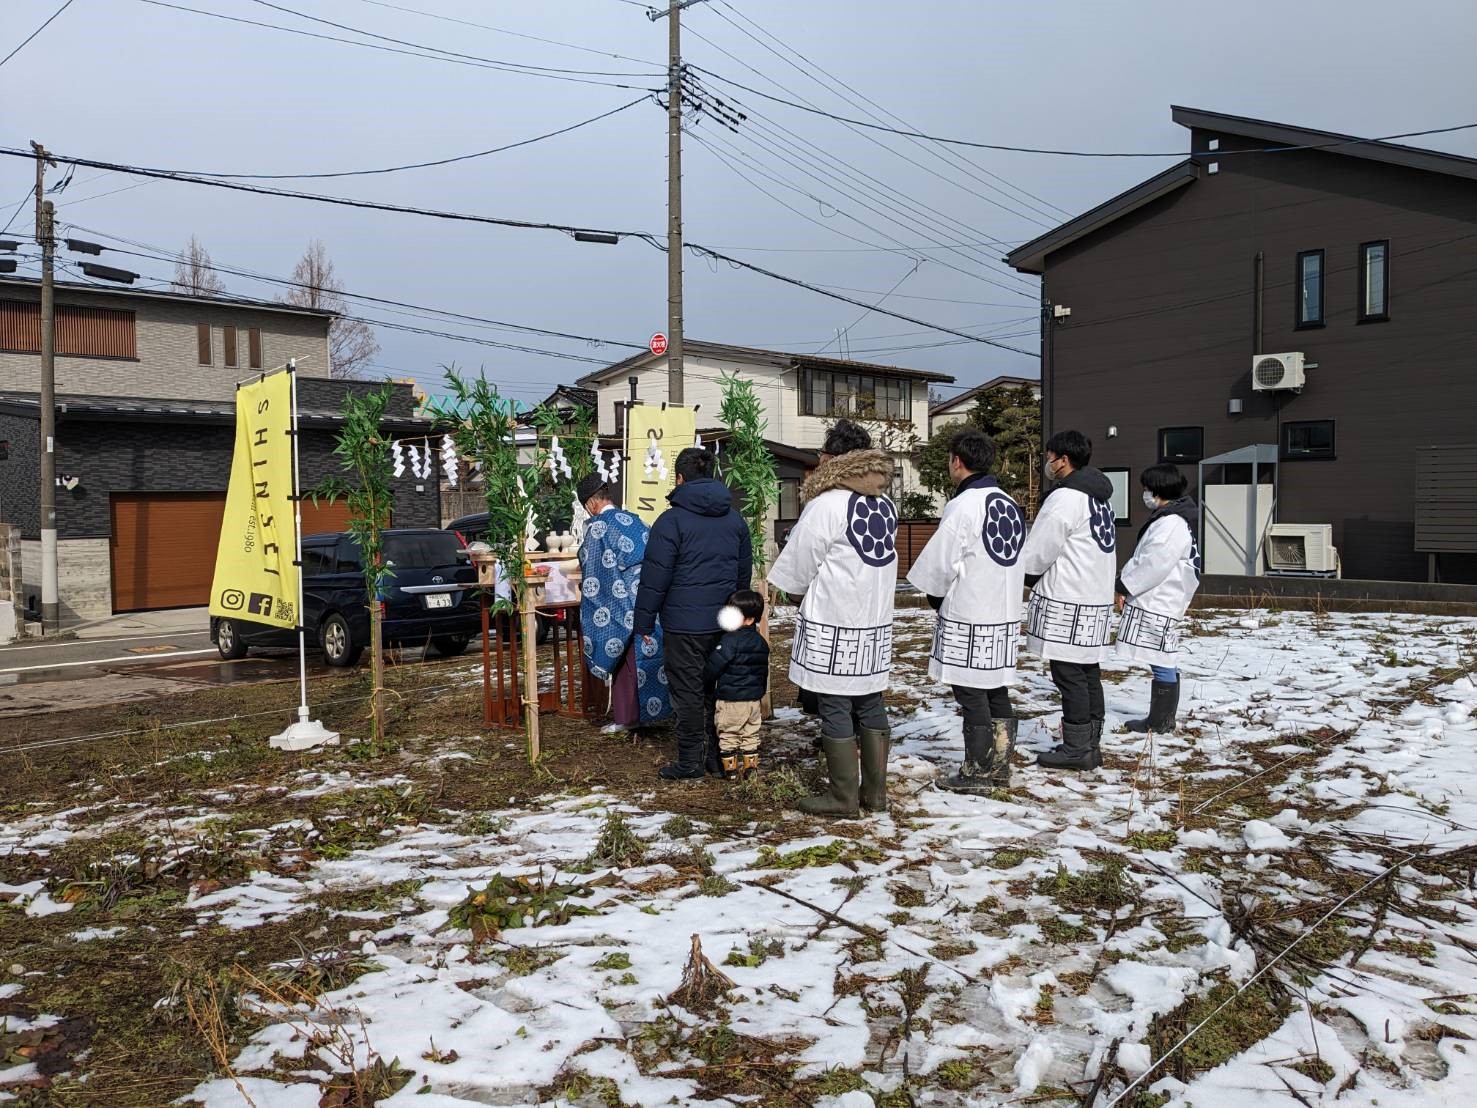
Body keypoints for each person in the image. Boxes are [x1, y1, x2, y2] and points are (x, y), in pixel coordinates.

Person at [769, 420, 898, 818]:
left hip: (835, 618)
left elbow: (798, 566)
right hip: (873, 618)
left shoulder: (826, 504)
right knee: (870, 700)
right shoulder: (885, 503)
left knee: (836, 702)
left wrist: (792, 593)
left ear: (832, 459)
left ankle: (843, 797)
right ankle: (875, 795)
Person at [907, 428, 1026, 792]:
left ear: (957, 462)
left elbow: (942, 560)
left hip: (971, 608)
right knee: (995, 686)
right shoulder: (1008, 501)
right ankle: (1001, 764)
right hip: (1002, 607)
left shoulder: (964, 504)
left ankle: (977, 770)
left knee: (970, 688)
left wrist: (935, 596)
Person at [634, 446, 752, 780]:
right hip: (725, 621)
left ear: (680, 478)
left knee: (687, 692)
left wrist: (643, 621)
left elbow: (655, 577)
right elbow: (743, 575)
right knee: (719, 691)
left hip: (684, 626)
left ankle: (689, 762)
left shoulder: (670, 521)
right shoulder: (735, 519)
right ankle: (719, 759)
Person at [1020, 429, 1117, 772]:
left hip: (1068, 599)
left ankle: (1077, 749)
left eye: (1049, 457)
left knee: (1069, 674)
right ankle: (1091, 743)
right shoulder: (1098, 498)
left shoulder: (1065, 498)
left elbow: (1041, 549)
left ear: (1063, 460)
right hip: (1093, 597)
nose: (1047, 463)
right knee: (1088, 673)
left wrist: (1025, 577)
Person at [575, 474, 671, 730]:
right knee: (651, 652)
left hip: (622, 598)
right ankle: (656, 712)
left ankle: (629, 718)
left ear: (590, 504)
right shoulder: (635, 520)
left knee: (625, 654)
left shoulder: (598, 526)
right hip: (651, 594)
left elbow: (593, 565)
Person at [1114, 464, 1201, 734]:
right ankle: (1161, 717)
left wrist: (1124, 586)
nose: (1144, 493)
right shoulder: (1171, 518)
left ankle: (1160, 720)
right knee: (1162, 653)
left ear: (1158, 489)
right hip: (1158, 597)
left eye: (1147, 488)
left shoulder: (1171, 523)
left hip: (1158, 599)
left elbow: (1154, 563)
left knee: (1160, 654)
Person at [705, 589, 770, 779]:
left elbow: (714, 666)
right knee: (750, 735)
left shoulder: (729, 641)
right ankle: (751, 769)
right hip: (753, 701)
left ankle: (731, 771)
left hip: (730, 699)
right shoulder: (761, 642)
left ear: (749, 619)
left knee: (728, 735)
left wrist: (705, 681)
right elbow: (763, 672)